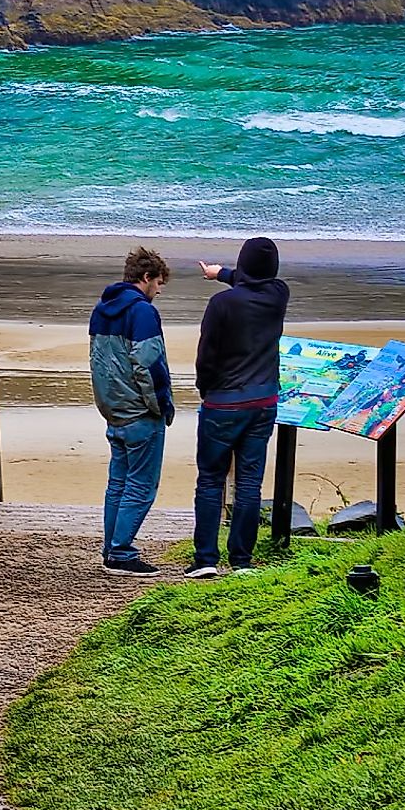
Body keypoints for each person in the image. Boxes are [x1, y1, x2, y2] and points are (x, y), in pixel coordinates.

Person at [188, 236, 289, 576]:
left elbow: (207, 355)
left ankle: (205, 560)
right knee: (249, 483)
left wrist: (206, 389)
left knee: (211, 479)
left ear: (243, 264)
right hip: (263, 402)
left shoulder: (221, 305)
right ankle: (242, 560)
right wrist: (222, 273)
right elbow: (257, 281)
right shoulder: (279, 296)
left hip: (223, 402)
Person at [89, 246, 176, 576]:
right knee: (140, 485)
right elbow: (149, 365)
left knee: (118, 482)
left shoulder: (101, 309)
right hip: (141, 411)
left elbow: (98, 363)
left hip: (114, 409)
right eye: (159, 282)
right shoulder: (142, 312)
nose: (159, 289)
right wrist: (162, 406)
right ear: (146, 277)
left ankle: (111, 547)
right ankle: (122, 551)